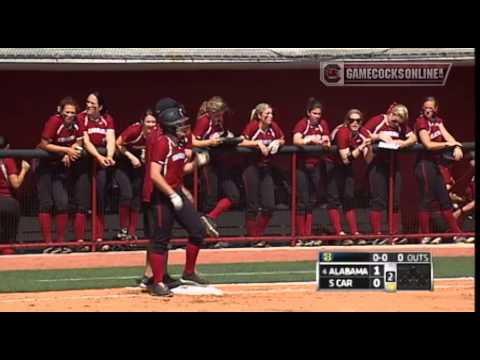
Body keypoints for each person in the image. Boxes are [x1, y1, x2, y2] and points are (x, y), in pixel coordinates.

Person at [147, 101, 210, 297]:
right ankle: (157, 282)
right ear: (170, 126)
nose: (184, 127)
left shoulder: (180, 143)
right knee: (161, 239)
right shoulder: (161, 142)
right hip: (163, 196)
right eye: (179, 124)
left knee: (198, 230)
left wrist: (197, 163)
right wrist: (172, 194)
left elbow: (179, 169)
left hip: (176, 191)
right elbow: (155, 174)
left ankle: (189, 271)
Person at [414, 97, 467, 244]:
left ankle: (457, 234)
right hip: (424, 164)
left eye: (431, 108)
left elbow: (448, 136)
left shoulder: (438, 120)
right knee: (426, 199)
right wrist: (448, 144)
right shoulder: (420, 121)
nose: (428, 110)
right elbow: (428, 144)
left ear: (436, 109)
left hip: (436, 165)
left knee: (445, 199)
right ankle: (424, 236)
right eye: (425, 107)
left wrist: (456, 146)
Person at [362, 104, 417, 245]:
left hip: (393, 165)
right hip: (377, 164)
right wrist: (379, 136)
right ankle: (376, 234)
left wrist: (401, 143)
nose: (396, 124)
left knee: (395, 200)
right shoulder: (379, 120)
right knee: (378, 199)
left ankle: (394, 234)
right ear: (391, 114)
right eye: (394, 121)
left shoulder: (400, 126)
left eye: (399, 123)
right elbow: (363, 134)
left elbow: (413, 138)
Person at [193, 96, 242, 247]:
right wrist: (211, 142)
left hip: (220, 161)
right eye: (219, 114)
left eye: (222, 114)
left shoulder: (218, 122)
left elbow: (221, 136)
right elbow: (193, 140)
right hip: (207, 162)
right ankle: (205, 240)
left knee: (233, 195)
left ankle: (209, 218)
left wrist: (229, 138)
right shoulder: (204, 120)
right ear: (213, 112)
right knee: (210, 198)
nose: (221, 117)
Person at [36, 97, 83, 254]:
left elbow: (80, 140)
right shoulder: (54, 121)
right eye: (67, 112)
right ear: (60, 111)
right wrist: (66, 151)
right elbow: (44, 144)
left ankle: (61, 243)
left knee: (62, 203)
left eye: (73, 112)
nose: (70, 115)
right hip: (44, 165)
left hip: (60, 166)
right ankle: (47, 244)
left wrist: (72, 149)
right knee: (46, 203)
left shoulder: (77, 123)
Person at [74, 91, 116, 250]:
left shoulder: (107, 119)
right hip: (85, 163)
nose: (89, 105)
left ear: (100, 106)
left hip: (101, 164)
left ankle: (98, 239)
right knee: (82, 201)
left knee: (100, 200)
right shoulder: (81, 117)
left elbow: (111, 138)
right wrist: (99, 157)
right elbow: (86, 142)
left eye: (93, 103)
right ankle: (80, 241)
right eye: (88, 102)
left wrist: (110, 156)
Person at [239, 103, 286, 248]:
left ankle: (257, 235)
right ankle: (252, 238)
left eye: (271, 114)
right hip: (251, 168)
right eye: (267, 114)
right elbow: (241, 141)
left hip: (266, 168)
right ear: (260, 116)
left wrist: (278, 142)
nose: (270, 117)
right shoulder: (253, 126)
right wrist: (257, 144)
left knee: (269, 205)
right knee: (252, 204)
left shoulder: (274, 127)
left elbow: (283, 138)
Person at [325, 109, 373, 245]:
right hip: (332, 165)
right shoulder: (343, 132)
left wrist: (368, 147)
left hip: (347, 165)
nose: (355, 123)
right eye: (352, 120)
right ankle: (339, 232)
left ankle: (354, 232)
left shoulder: (362, 132)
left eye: (358, 120)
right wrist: (362, 146)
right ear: (347, 121)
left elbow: (368, 159)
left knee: (349, 197)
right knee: (334, 198)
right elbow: (345, 158)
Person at [292, 98, 331, 246]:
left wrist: (324, 142)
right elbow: (296, 140)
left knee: (312, 201)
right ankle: (300, 236)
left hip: (316, 166)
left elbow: (327, 140)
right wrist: (309, 141)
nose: (317, 116)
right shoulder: (303, 123)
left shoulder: (323, 124)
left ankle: (307, 236)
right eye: (314, 113)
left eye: (319, 113)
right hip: (302, 166)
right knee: (302, 201)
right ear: (308, 113)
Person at [114, 109, 157, 242]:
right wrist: (131, 157)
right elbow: (118, 143)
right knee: (126, 194)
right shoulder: (134, 130)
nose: (151, 125)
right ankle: (122, 231)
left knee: (137, 199)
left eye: (153, 122)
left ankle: (132, 234)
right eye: (148, 122)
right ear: (142, 122)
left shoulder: (157, 133)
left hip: (140, 168)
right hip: (124, 165)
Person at [0, 136, 31, 255]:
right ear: (7, 147)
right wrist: (24, 169)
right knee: (9, 239)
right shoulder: (7, 159)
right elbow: (16, 184)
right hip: (8, 202)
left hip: (6, 203)